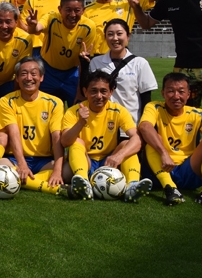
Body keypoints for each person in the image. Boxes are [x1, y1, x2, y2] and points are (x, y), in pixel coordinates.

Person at [61, 70, 152, 202]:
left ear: (111, 92)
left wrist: (119, 156)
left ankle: (132, 186)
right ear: (85, 91)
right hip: (84, 160)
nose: (99, 96)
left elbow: (137, 139)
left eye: (103, 91)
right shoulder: (74, 111)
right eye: (93, 91)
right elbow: (65, 142)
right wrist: (81, 122)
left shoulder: (118, 110)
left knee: (127, 144)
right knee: (77, 142)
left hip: (108, 162)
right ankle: (84, 183)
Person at [138, 72, 202, 207]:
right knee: (153, 138)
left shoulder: (197, 114)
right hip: (161, 168)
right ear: (163, 93)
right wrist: (164, 154)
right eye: (171, 91)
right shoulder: (154, 107)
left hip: (188, 170)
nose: (176, 96)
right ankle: (169, 188)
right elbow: (145, 127)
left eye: (181, 92)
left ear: (188, 95)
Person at [0, 57, 65, 195]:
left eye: (33, 73)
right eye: (24, 74)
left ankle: (18, 181)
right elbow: (13, 133)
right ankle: (50, 187)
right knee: (0, 164)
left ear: (42, 77)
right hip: (15, 158)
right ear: (17, 78)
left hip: (44, 161)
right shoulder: (7, 101)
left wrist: (57, 170)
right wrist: (22, 164)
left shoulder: (55, 102)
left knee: (67, 169)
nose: (29, 78)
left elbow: (57, 136)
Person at [26, 0, 96, 106]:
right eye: (68, 10)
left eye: (77, 10)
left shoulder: (88, 27)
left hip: (71, 74)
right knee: (43, 109)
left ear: (83, 11)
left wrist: (80, 89)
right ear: (60, 9)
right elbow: (36, 29)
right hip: (48, 72)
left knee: (76, 109)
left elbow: (83, 61)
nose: (72, 15)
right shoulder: (51, 18)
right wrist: (32, 25)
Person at [88, 19, 157, 126]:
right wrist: (83, 64)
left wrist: (144, 126)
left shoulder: (140, 63)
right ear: (105, 37)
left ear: (128, 36)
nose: (115, 38)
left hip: (130, 125)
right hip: (102, 126)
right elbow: (88, 93)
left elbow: (146, 100)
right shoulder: (96, 62)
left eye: (119, 34)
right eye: (110, 34)